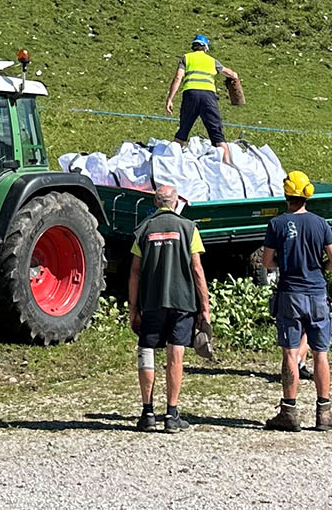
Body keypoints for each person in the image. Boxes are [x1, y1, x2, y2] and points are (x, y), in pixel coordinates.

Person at [127, 183, 212, 433]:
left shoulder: (143, 230)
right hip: (182, 302)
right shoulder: (188, 228)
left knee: (147, 353)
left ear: (156, 203)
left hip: (151, 303)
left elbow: (134, 272)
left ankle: (147, 413)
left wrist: (133, 308)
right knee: (176, 356)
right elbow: (197, 270)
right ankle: (172, 415)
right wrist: (204, 307)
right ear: (176, 203)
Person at [262, 170, 332, 431]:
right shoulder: (321, 224)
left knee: (290, 352)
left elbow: (267, 262)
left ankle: (289, 411)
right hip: (317, 293)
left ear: (286, 194)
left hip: (290, 293)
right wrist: (321, 269)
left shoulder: (277, 224)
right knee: (321, 354)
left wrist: (283, 264)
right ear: (307, 194)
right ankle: (324, 413)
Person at [164, 35, 240, 163]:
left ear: (193, 46)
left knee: (183, 131)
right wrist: (234, 76)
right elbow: (230, 73)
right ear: (206, 47)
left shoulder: (186, 58)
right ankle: (228, 165)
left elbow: (178, 78)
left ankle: (170, 163)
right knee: (217, 134)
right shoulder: (212, 61)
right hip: (208, 97)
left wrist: (170, 99)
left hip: (190, 95)